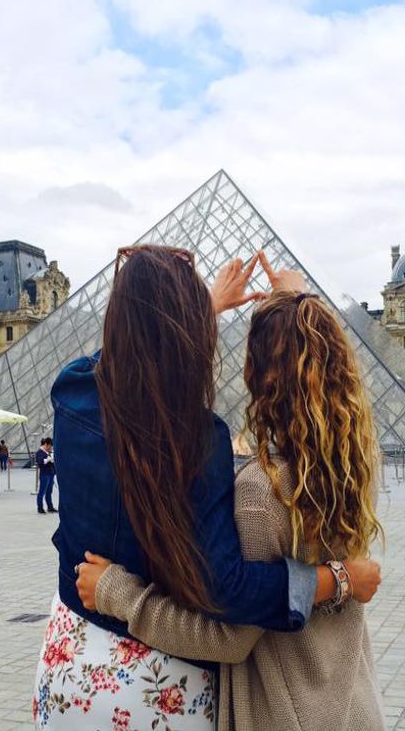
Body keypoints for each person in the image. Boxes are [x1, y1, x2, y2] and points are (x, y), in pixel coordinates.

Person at [32, 247, 381, 729]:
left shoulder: (71, 389)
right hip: (163, 687)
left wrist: (194, 312)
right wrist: (337, 580)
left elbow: (120, 354)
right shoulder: (348, 466)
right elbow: (229, 590)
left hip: (69, 668)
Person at [35, 437, 55, 514]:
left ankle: (50, 507)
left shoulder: (48, 452)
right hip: (44, 474)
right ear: (46, 444)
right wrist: (48, 459)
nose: (50, 448)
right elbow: (40, 462)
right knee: (42, 491)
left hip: (50, 473)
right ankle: (40, 508)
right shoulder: (39, 452)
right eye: (49, 446)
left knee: (49, 491)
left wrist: (52, 459)